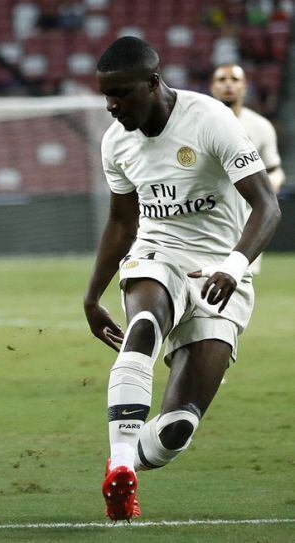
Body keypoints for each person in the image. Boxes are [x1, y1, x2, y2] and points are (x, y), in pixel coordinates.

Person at [83, 37, 280, 522]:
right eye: (106, 95)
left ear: (153, 82)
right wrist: (92, 296)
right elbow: (123, 223)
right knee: (145, 322)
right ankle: (123, 468)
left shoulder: (210, 119)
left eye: (122, 94)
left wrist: (233, 268)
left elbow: (267, 205)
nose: (112, 106)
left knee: (176, 430)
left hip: (222, 267)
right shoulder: (116, 140)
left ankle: (125, 460)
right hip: (158, 253)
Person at [210, 63, 286, 274]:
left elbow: (274, 169)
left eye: (234, 80)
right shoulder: (198, 124)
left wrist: (273, 184)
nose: (228, 85)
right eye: (221, 79)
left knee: (238, 280)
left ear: (244, 87)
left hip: (245, 218)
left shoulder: (261, 126)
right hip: (206, 213)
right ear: (212, 87)